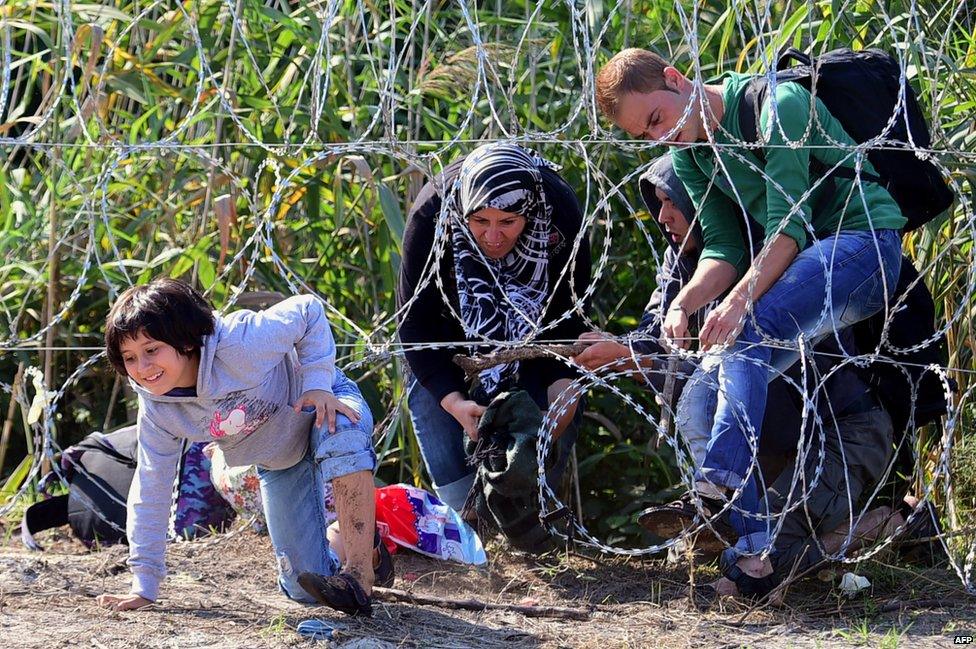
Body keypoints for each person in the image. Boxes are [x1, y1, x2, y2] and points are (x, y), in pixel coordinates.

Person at [595, 49, 906, 595]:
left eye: (657, 119)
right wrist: (683, 303)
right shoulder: (692, 154)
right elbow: (724, 246)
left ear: (676, 78)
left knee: (746, 326)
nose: (660, 138)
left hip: (863, 248)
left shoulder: (776, 106)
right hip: (806, 265)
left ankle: (718, 484)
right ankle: (754, 556)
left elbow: (790, 224)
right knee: (703, 389)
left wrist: (737, 303)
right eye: (645, 136)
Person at [96, 278, 391, 617]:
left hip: (322, 405)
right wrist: (144, 584)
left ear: (186, 340)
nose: (143, 368)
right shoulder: (159, 410)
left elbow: (308, 310)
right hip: (282, 459)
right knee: (302, 587)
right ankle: (364, 546)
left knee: (342, 432)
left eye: (152, 350)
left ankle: (357, 576)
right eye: (130, 358)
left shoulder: (239, 342)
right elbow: (151, 487)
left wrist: (317, 383)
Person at [397, 142, 592, 513]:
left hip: (535, 341)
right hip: (445, 341)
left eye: (508, 221)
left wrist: (562, 387)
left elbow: (569, 316)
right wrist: (454, 402)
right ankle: (466, 525)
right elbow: (416, 322)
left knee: (532, 474)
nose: (493, 236)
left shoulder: (558, 213)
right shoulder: (432, 215)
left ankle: (532, 515)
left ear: (530, 213)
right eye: (480, 221)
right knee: (431, 406)